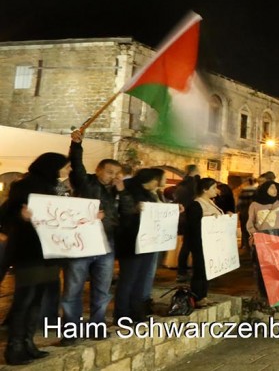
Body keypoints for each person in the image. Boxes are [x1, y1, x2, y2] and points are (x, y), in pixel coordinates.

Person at [2, 152, 72, 364]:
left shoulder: (58, 188)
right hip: (30, 250)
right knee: (25, 299)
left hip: (51, 251)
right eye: (65, 166)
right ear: (52, 166)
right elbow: (5, 213)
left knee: (37, 299)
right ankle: (14, 347)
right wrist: (20, 217)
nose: (68, 170)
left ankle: (28, 342)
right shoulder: (24, 185)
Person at [60, 129, 122, 346]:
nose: (113, 176)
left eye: (117, 173)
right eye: (110, 172)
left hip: (107, 244)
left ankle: (97, 326)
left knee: (102, 289)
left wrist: (122, 192)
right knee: (73, 288)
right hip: (82, 243)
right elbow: (76, 166)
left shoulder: (117, 191)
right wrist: (76, 145)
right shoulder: (85, 183)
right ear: (98, 170)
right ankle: (70, 331)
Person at [115, 168, 167, 324]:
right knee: (128, 279)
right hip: (131, 242)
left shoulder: (151, 195)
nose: (164, 182)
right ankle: (122, 314)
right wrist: (134, 210)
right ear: (154, 180)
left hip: (148, 243)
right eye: (162, 178)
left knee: (142, 279)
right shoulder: (129, 192)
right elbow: (124, 213)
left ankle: (136, 312)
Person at [184, 178, 226, 308]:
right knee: (199, 270)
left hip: (211, 243)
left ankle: (203, 295)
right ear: (205, 189)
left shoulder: (210, 202)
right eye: (213, 188)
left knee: (206, 270)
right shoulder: (196, 204)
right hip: (200, 243)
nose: (216, 191)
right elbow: (194, 226)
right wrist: (210, 221)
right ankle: (197, 296)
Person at [246, 181, 279, 301]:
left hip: (275, 240)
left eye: (275, 188)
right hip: (261, 240)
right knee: (262, 268)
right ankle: (263, 292)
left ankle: (276, 291)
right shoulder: (255, 205)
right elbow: (250, 222)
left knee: (276, 266)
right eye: (272, 188)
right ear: (265, 189)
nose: (275, 190)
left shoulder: (278, 203)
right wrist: (254, 234)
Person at [174, 165, 201, 283]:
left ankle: (181, 271)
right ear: (195, 171)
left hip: (183, 217)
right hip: (192, 217)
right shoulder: (194, 185)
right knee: (192, 246)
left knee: (186, 245)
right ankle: (191, 271)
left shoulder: (181, 184)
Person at [236, 177, 259, 251]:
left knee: (244, 229)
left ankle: (245, 245)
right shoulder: (257, 190)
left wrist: (238, 210)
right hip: (254, 212)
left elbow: (239, 202)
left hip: (244, 212)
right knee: (252, 228)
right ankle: (252, 246)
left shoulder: (244, 190)